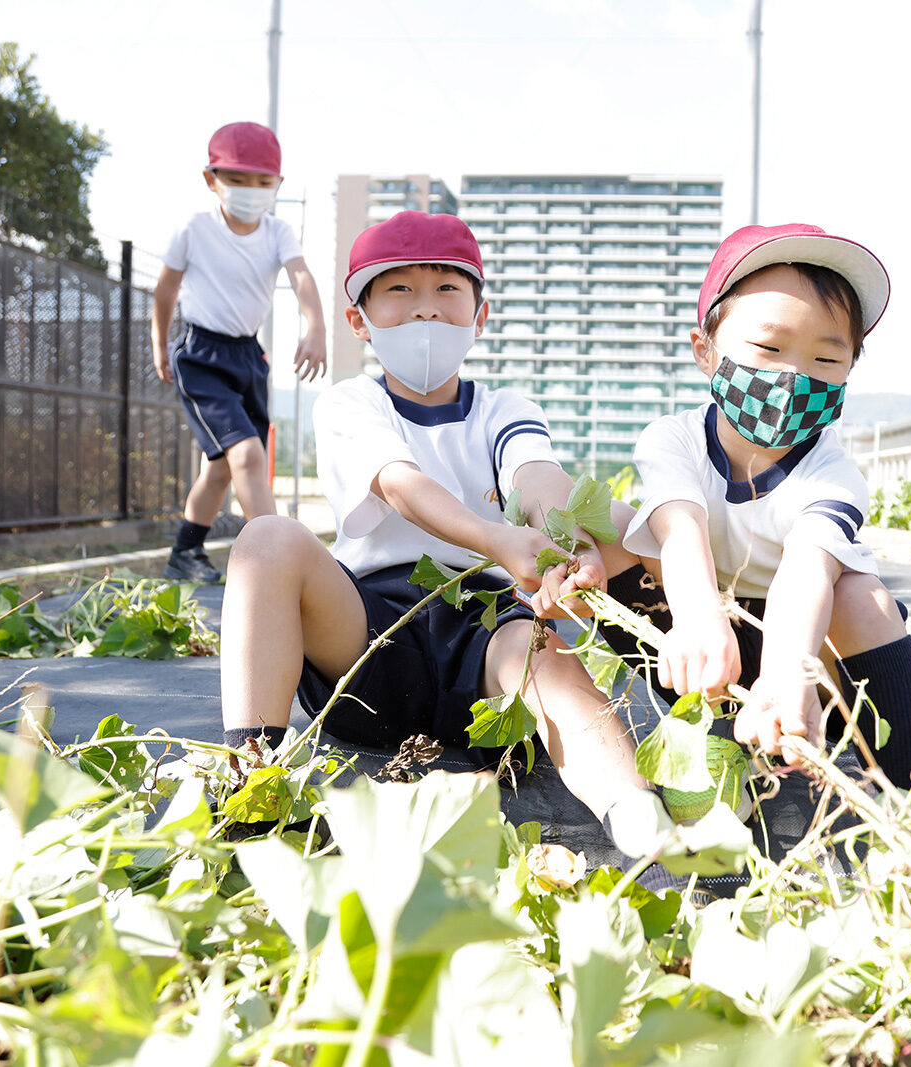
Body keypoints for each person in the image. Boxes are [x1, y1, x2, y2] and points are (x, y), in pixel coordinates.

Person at [219, 211, 689, 887]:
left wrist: (569, 537)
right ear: (361, 320)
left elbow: (536, 477)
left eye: (446, 291)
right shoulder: (350, 403)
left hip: (484, 629)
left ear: (480, 313)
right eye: (400, 293)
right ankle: (249, 778)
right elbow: (401, 484)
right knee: (267, 538)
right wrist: (497, 536)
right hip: (370, 632)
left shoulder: (501, 408)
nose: (426, 313)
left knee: (546, 659)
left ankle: (636, 813)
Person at [593, 224, 911, 790]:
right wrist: (701, 617)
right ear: (706, 351)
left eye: (826, 359)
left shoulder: (833, 473)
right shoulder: (671, 440)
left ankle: (906, 785)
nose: (793, 376)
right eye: (769, 349)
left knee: (863, 596)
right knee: (606, 525)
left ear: (850, 370)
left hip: (800, 651)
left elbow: (806, 573)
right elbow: (680, 530)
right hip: (692, 640)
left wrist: (787, 672)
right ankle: (713, 714)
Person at [151, 120, 327, 584]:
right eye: (238, 179)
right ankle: (276, 561)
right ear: (212, 180)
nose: (251, 190)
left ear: (278, 186)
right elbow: (165, 290)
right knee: (247, 455)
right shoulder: (195, 229)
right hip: (201, 356)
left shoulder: (277, 232)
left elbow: (302, 275)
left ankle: (184, 554)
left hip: (249, 357)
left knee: (222, 470)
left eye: (262, 182)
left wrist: (316, 327)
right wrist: (159, 345)